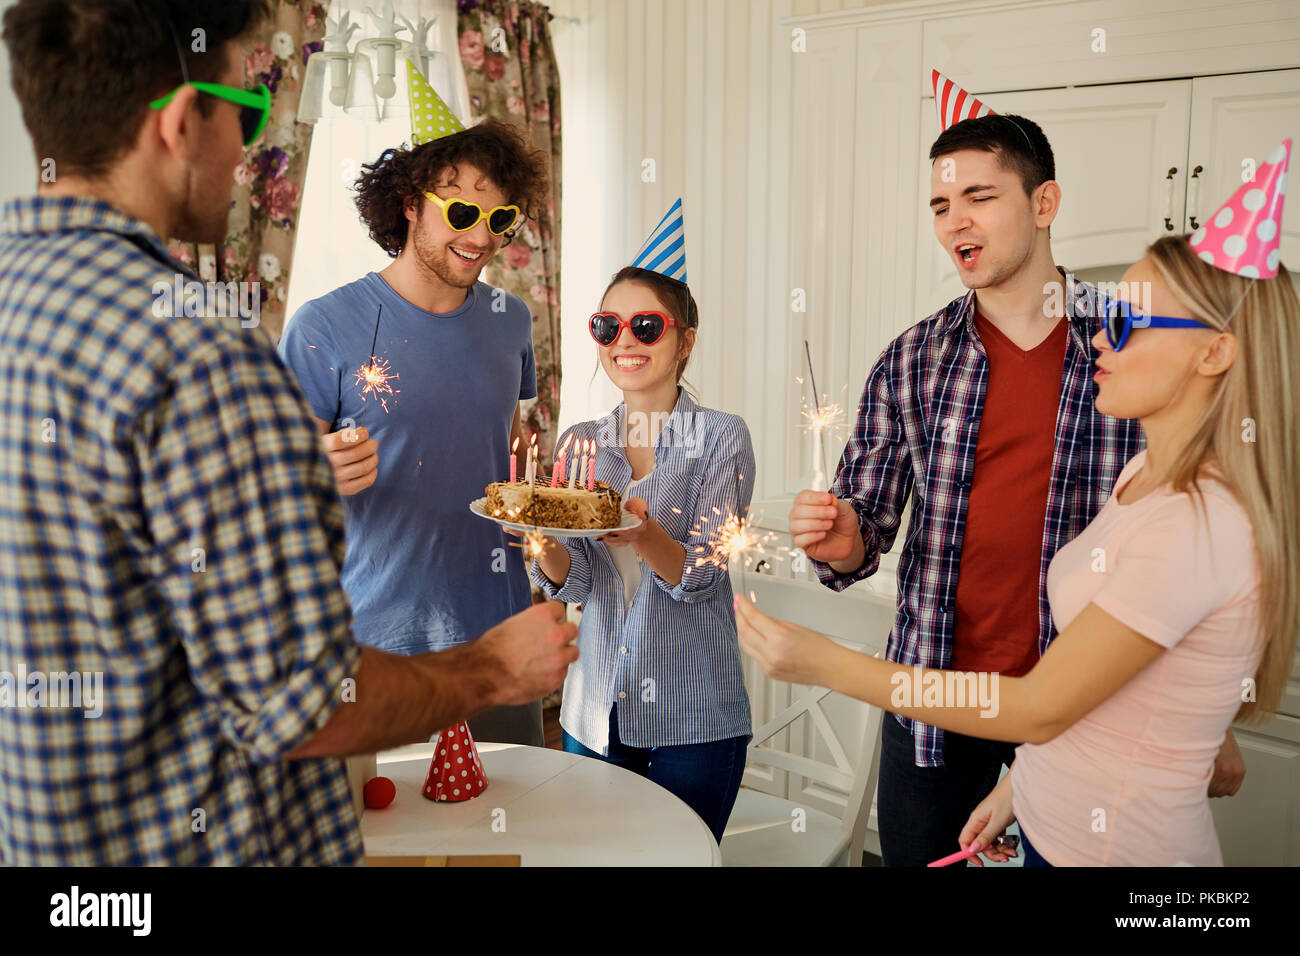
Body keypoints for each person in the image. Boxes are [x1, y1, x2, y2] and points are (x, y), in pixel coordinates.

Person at [0, 0, 575, 865]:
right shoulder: (197, 351)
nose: (248, 155)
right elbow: (299, 695)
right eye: (248, 113)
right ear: (181, 121)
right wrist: (490, 671)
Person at [739, 143, 1299, 864]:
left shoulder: (1127, 378)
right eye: (941, 204)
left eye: (980, 196)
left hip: (1068, 714)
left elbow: (1147, 638)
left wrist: (1200, 716)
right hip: (945, 704)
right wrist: (845, 538)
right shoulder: (915, 360)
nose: (955, 220)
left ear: (1044, 205)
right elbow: (862, 534)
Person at [277, 69, 551, 745]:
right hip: (376, 648)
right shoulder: (323, 325)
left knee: (511, 836)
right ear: (409, 204)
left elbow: (504, 458)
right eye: (461, 213)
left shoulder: (509, 320)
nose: (482, 237)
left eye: (500, 219)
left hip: (500, 642)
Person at [527, 204, 754, 843]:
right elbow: (573, 586)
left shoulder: (721, 438)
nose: (624, 341)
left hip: (694, 722)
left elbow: (703, 577)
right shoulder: (579, 443)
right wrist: (541, 539)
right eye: (608, 326)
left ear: (684, 339)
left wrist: (643, 534)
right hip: (593, 713)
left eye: (646, 326)